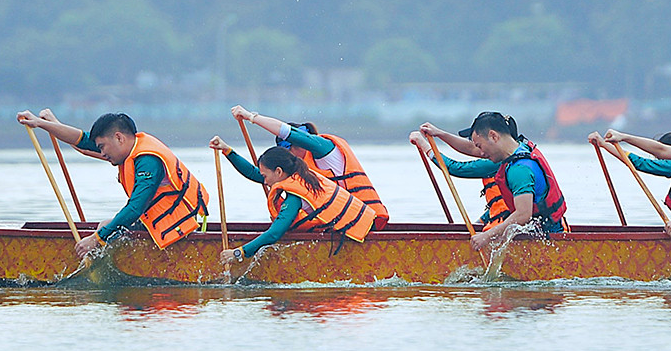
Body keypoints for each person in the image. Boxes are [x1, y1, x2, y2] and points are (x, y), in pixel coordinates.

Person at [16, 109, 208, 251]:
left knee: (105, 229)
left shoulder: (148, 161)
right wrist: (45, 124)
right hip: (162, 223)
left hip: (179, 227)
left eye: (103, 146)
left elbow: (135, 208)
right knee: (106, 226)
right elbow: (83, 143)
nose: (102, 152)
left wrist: (96, 239)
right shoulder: (128, 150)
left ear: (119, 138)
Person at [409, 112, 567, 251]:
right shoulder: (516, 149)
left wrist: (486, 236)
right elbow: (471, 149)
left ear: (493, 136)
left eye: (481, 146)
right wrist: (439, 134)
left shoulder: (519, 169)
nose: (481, 153)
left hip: (548, 241)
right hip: (545, 231)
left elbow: (523, 215)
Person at [210, 139, 377, 260]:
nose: (265, 182)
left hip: (353, 239)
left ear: (278, 172)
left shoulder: (294, 196)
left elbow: (275, 233)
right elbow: (254, 173)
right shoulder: (299, 176)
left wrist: (239, 252)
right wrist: (227, 151)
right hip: (361, 227)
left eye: (266, 176)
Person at [229, 105, 389, 228]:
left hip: (366, 224)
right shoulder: (299, 170)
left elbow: (286, 132)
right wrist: (227, 151)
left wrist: (250, 116)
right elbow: (259, 175)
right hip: (338, 229)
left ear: (296, 145)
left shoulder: (326, 149)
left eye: (287, 153)